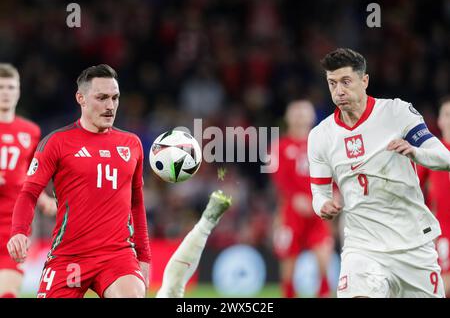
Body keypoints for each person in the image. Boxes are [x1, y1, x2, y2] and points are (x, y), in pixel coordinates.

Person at [7, 64, 232, 298]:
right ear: (81, 98)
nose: (110, 106)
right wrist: (19, 231)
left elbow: (136, 204)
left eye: (115, 98)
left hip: (117, 256)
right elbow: (29, 192)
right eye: (102, 98)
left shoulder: (131, 144)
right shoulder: (56, 143)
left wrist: (144, 257)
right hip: (68, 255)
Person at [307, 48, 450, 298]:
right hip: (362, 246)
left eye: (345, 82)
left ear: (365, 81)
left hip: (413, 244)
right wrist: (323, 205)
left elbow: (444, 158)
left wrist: (416, 153)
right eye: (332, 83)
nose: (338, 91)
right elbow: (318, 192)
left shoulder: (397, 113)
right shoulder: (321, 136)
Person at [0, 63, 56, 298]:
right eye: (1, 87)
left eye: (11, 87)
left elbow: (30, 176)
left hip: (12, 226)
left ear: (19, 91)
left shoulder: (30, 131)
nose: (6, 92)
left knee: (8, 293)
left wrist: (43, 199)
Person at [270, 100, 333, 298]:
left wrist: (333, 195)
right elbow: (278, 179)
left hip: (318, 211)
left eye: (303, 112)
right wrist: (294, 197)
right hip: (290, 213)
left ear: (312, 117)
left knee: (324, 261)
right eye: (295, 112)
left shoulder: (322, 145)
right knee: (288, 266)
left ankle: (323, 292)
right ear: (287, 117)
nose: (299, 116)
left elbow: (334, 174)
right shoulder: (279, 146)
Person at [417, 97, 450, 297]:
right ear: (439, 121)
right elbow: (413, 187)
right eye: (447, 114)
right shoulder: (433, 151)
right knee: (443, 285)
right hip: (445, 230)